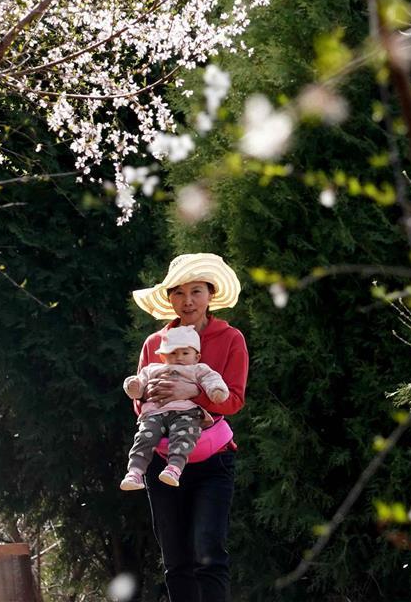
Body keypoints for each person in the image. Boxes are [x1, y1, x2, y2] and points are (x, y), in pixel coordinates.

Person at [130, 253, 248, 602]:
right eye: (179, 293)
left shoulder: (230, 339)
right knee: (176, 560)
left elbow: (235, 400)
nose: (188, 301)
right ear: (169, 299)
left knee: (208, 552)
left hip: (213, 462)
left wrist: (193, 393)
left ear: (210, 294)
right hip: (162, 461)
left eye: (196, 291)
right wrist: (151, 398)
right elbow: (139, 403)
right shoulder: (154, 344)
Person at [120, 325, 228, 490]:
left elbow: (211, 379)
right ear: (163, 357)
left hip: (186, 412)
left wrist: (216, 391)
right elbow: (139, 382)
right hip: (155, 412)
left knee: (184, 433)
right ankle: (135, 472)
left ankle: (174, 468)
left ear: (197, 356)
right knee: (145, 435)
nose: (179, 357)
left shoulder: (198, 369)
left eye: (185, 353)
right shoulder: (153, 369)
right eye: (172, 353)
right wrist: (134, 386)